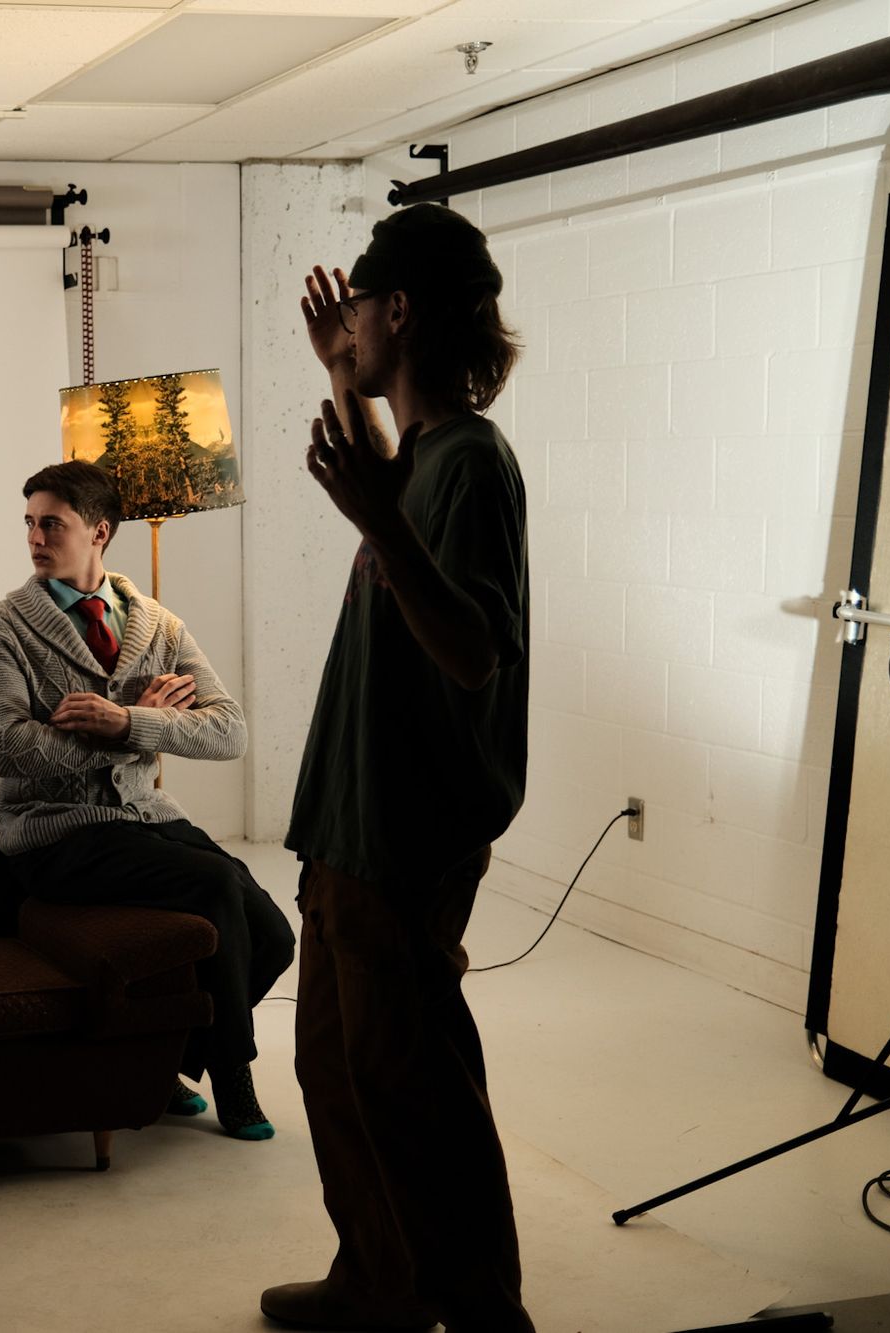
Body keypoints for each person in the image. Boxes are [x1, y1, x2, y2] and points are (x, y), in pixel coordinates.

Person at [260, 204, 535, 1331]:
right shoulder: (419, 454)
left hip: (405, 832)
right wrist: (338, 373)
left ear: (401, 310)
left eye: (361, 311)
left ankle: (483, 1313)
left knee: (417, 1093)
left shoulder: (471, 462)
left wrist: (379, 519)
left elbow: (471, 648)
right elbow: (383, 486)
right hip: (351, 823)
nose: (352, 325)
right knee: (336, 1068)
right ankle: (378, 1280)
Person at [0, 460, 295, 1140]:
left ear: (100, 531)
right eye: (29, 523)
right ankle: (233, 1073)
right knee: (213, 883)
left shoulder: (158, 625)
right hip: (53, 833)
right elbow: (8, 748)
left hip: (145, 820)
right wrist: (131, 731)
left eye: (52, 524)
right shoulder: (3, 626)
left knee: (274, 933)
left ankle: (165, 1056)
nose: (34, 538)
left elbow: (230, 730)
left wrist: (126, 721)